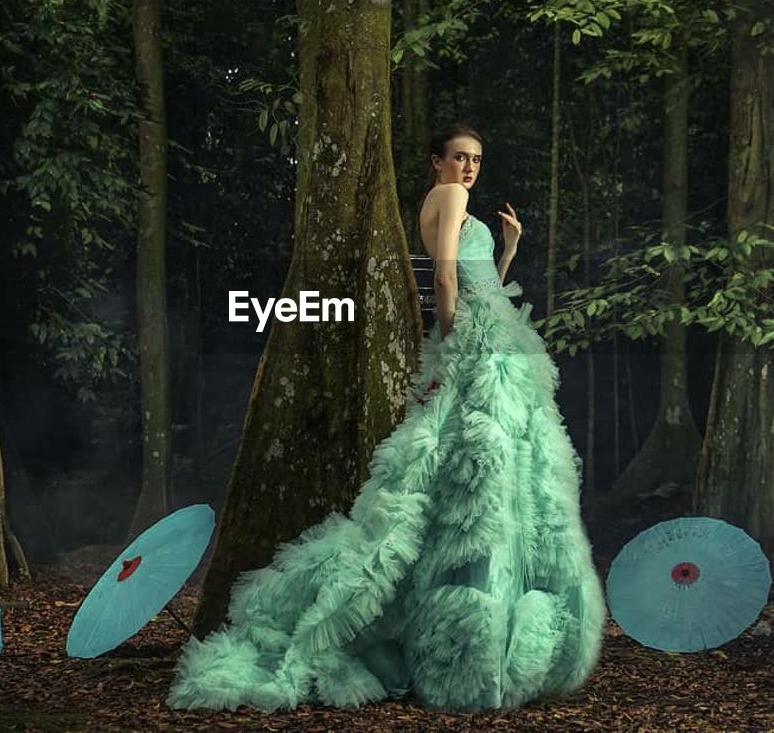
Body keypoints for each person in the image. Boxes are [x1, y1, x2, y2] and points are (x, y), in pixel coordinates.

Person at [166, 123, 605, 714]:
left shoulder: (456, 203)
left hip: (490, 338)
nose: (469, 168)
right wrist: (451, 348)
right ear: (437, 162)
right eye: (459, 158)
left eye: (476, 159)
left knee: (484, 469)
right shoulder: (449, 197)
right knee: (483, 469)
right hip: (476, 346)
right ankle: (460, 623)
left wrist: (509, 250)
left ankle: (470, 608)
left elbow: (480, 286)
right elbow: (445, 279)